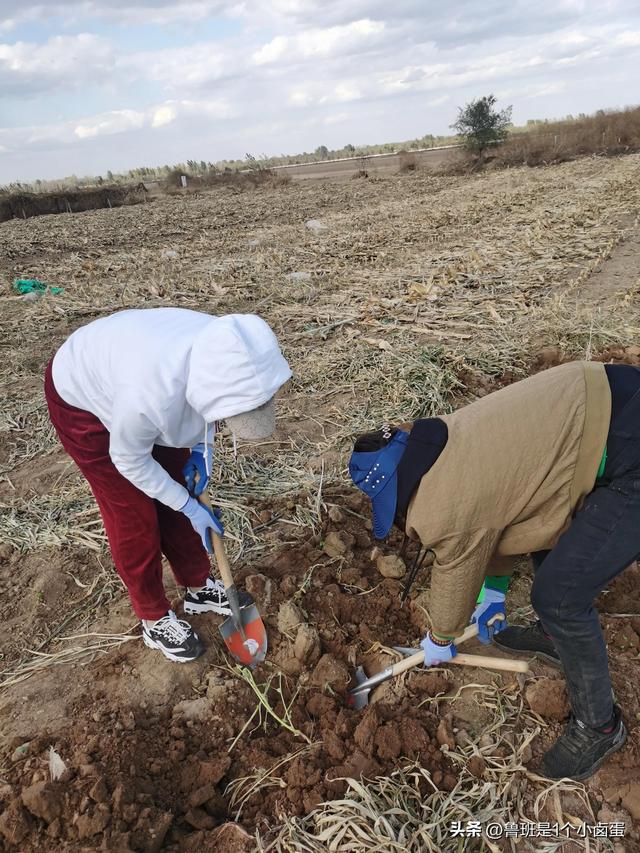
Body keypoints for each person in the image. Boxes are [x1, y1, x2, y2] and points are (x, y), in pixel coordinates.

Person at [348, 360, 640, 781]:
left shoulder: (439, 503)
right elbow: (508, 507)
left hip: (630, 448)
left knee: (559, 597)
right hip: (607, 399)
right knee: (552, 532)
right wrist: (496, 591)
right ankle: (555, 637)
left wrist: (441, 637)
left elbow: (457, 564)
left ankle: (600, 726)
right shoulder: (448, 446)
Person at [45, 308, 291, 663]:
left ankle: (197, 585)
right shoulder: (149, 396)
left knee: (180, 485)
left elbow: (210, 411)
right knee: (134, 515)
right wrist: (188, 507)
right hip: (82, 396)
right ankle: (153, 616)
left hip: (134, 377)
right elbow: (129, 459)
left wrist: (201, 453)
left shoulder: (227, 347)